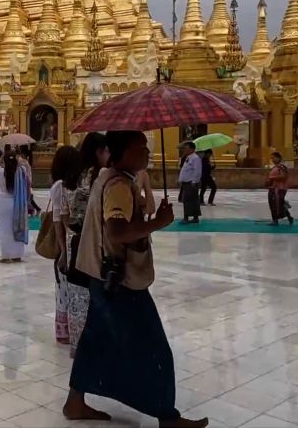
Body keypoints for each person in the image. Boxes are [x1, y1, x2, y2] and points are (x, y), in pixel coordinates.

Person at [63, 131, 207, 428]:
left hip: (101, 276)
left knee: (96, 339)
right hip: (120, 281)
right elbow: (116, 232)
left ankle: (75, 401)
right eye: (140, 148)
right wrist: (157, 223)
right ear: (121, 153)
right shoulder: (117, 185)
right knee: (154, 347)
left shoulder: (110, 176)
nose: (146, 153)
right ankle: (167, 416)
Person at [64, 132, 108, 358]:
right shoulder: (99, 176)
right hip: (92, 241)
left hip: (76, 239)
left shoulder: (76, 174)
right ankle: (93, 346)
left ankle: (78, 343)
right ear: (98, 152)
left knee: (79, 295)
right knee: (94, 294)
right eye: (107, 151)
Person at [51, 146, 81, 345]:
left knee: (68, 287)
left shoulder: (75, 185)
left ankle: (68, 329)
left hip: (71, 242)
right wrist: (63, 250)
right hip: (71, 242)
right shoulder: (63, 186)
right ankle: (67, 329)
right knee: (67, 285)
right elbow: (58, 221)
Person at [0, 151, 29, 263]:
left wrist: (1, 158)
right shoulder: (21, 171)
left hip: (4, 202)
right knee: (17, 228)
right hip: (17, 202)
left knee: (5, 230)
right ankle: (17, 255)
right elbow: (25, 166)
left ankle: (6, 256)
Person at [266, 151, 294, 226]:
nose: (272, 159)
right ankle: (288, 217)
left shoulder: (282, 167)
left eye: (273, 158)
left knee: (277, 204)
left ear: (278, 158)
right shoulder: (275, 167)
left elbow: (284, 176)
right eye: (271, 158)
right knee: (275, 204)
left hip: (279, 188)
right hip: (273, 188)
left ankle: (275, 220)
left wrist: (272, 178)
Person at [177, 142, 201, 224]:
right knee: (191, 200)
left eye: (186, 148)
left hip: (191, 183)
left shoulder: (195, 158)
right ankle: (194, 217)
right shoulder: (188, 157)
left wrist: (194, 181)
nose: (185, 150)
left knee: (188, 200)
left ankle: (187, 218)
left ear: (192, 149)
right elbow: (185, 170)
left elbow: (197, 171)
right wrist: (181, 180)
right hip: (186, 182)